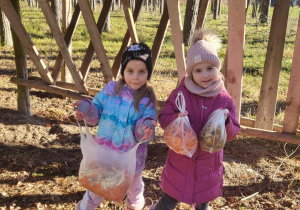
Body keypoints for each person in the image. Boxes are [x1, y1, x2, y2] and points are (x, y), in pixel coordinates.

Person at [150, 28, 240, 210]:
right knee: (168, 201)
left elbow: (233, 132)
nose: (205, 74)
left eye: (210, 69)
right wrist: (176, 118)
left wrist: (225, 121)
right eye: (198, 70)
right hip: (180, 162)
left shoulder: (224, 99)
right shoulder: (180, 94)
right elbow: (164, 118)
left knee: (203, 203)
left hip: (208, 166)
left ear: (218, 69)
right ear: (191, 73)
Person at [74, 43, 157, 210]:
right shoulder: (111, 90)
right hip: (104, 154)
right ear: (123, 71)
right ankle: (85, 207)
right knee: (96, 187)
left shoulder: (147, 99)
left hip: (131, 160)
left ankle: (134, 207)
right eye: (130, 71)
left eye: (142, 72)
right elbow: (96, 112)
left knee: (134, 190)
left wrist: (146, 128)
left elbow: (143, 130)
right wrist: (87, 108)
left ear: (148, 73)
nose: (136, 77)